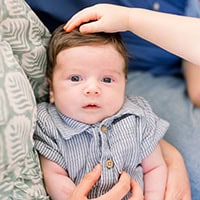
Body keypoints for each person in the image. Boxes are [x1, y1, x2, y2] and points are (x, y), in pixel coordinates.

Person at [24, 1, 193, 199]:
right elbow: (54, 176)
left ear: (124, 85)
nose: (93, 89)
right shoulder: (48, 125)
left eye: (107, 79)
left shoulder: (137, 116)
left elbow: (155, 167)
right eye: (76, 78)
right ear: (51, 89)